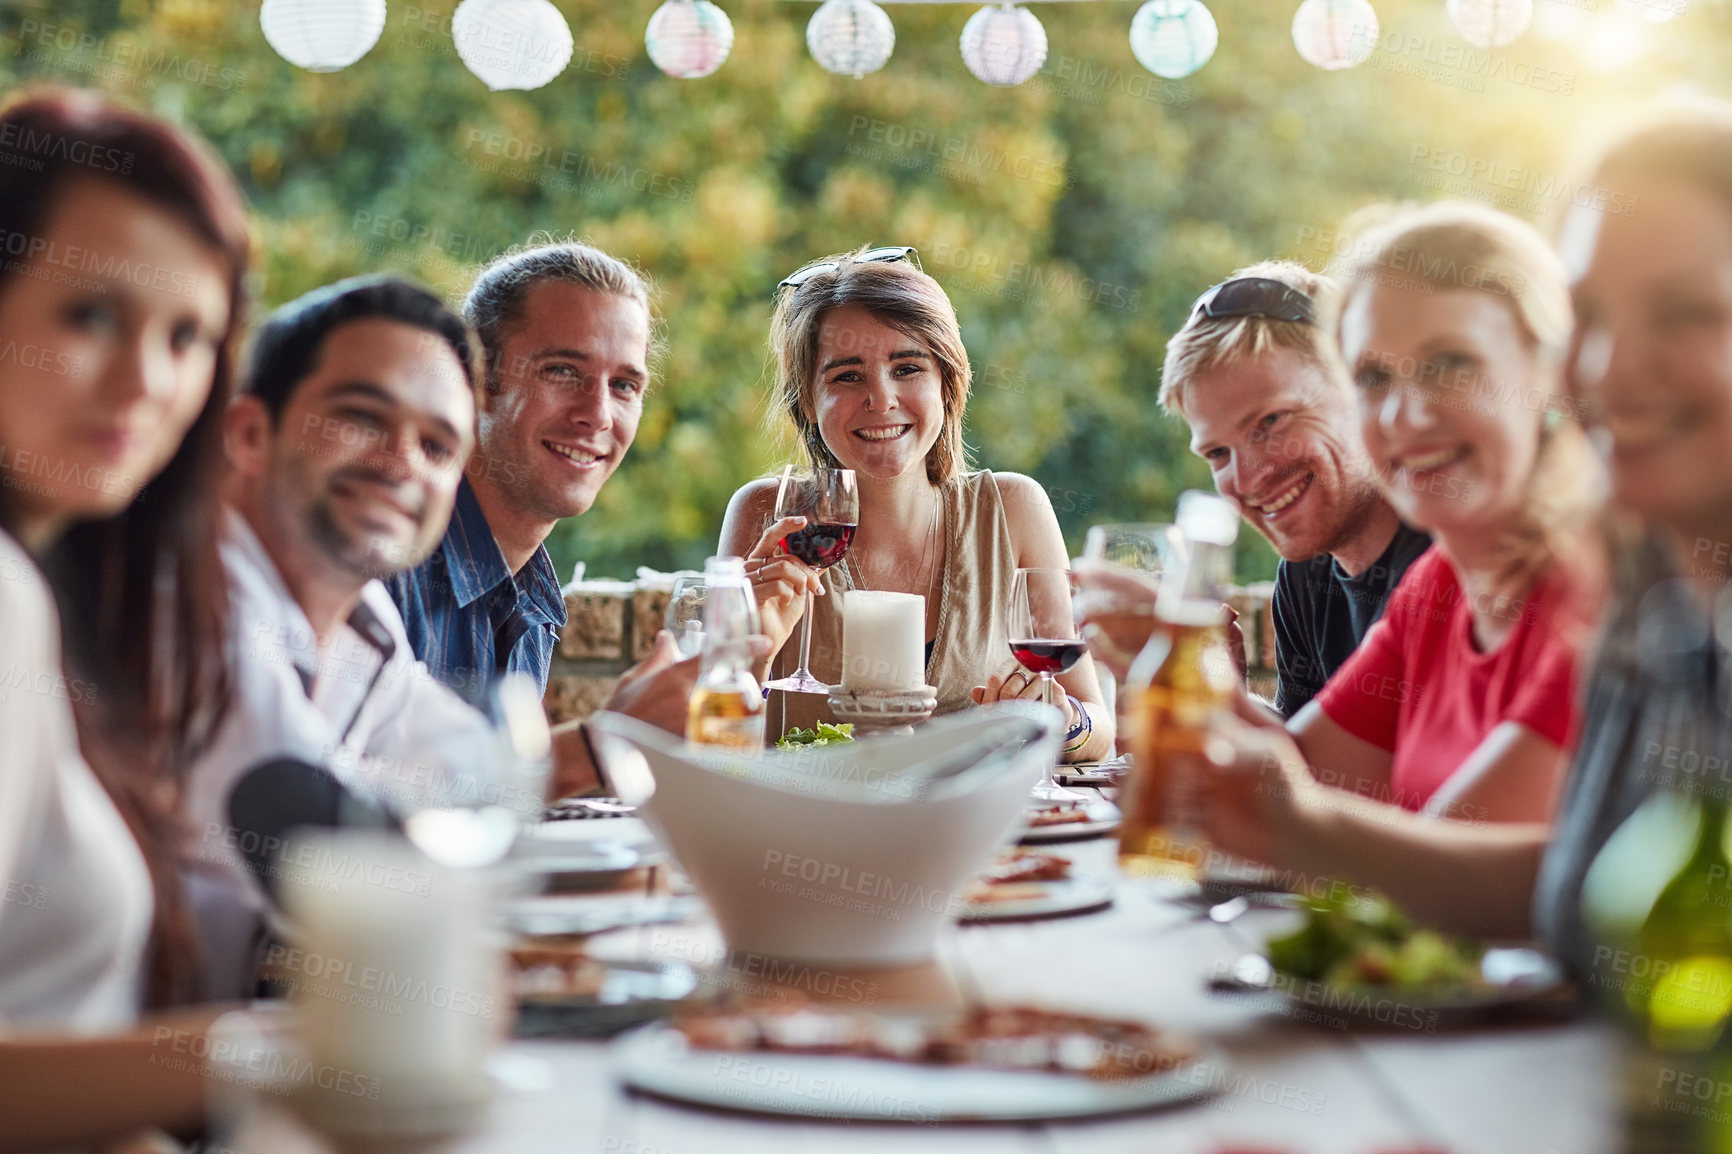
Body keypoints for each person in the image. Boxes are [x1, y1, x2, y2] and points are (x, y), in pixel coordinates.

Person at [1190, 201, 1609, 932]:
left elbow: (1465, 876)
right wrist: (1180, 678)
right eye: (1375, 379)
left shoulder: (1597, 585)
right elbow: (1291, 784)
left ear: (1553, 373)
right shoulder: (1440, 584)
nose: (1405, 415)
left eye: (1452, 363)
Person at [0, 87, 250, 1148]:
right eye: (91, 312)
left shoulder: (49, 593)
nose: (149, 380)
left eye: (189, 333)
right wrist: (292, 1049)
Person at [718, 247, 1113, 761]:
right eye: (847, 375)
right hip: (817, 834)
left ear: (947, 385)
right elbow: (709, 741)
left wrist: (1065, 723)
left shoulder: (1015, 509)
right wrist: (756, 656)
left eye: (907, 368)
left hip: (981, 834)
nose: (881, 400)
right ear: (809, 402)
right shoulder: (764, 514)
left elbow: (1097, 721)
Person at [1151, 261, 1432, 717]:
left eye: (1271, 421)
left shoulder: (1448, 555)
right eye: (1218, 453)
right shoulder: (1305, 576)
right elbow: (1311, 767)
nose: (1246, 479)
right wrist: (1222, 695)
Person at [386, 240, 659, 705]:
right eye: (562, 371)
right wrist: (611, 742)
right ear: (473, 380)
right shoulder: (387, 562)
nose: (598, 415)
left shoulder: (534, 603)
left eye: (623, 385)